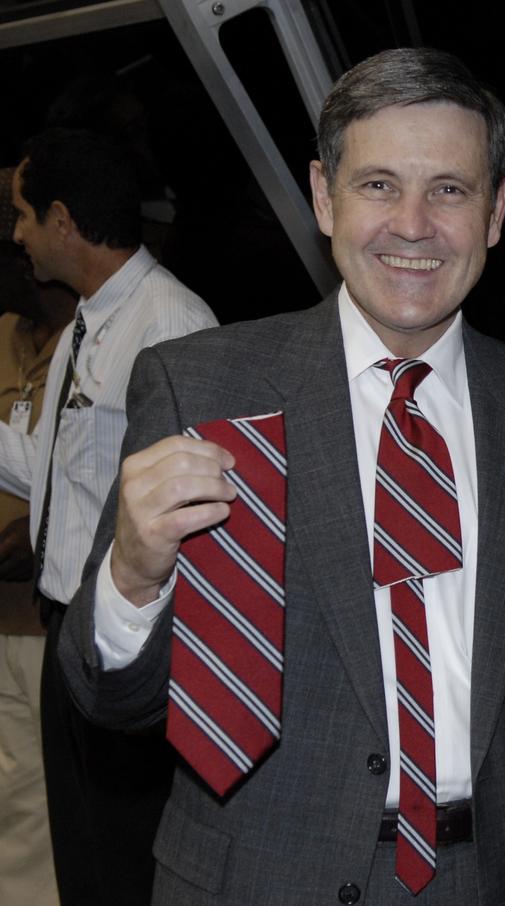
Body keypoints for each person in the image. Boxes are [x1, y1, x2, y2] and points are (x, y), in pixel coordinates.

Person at [58, 48, 505, 905]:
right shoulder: (201, 387)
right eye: (379, 185)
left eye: (450, 190)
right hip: (259, 880)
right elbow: (109, 697)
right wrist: (131, 573)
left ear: (497, 210)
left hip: (495, 881)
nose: (413, 225)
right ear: (323, 196)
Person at [3, 130, 218, 905]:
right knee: (82, 853)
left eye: (24, 217)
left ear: (63, 219)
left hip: (129, 640)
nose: (17, 236)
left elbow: (202, 515)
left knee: (127, 857)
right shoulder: (87, 325)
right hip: (66, 627)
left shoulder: (172, 324)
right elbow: (45, 471)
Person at [0, 169, 74, 906]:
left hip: (50, 624)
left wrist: (40, 526)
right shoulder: (1, 338)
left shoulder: (92, 346)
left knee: (41, 814)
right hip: (2, 623)